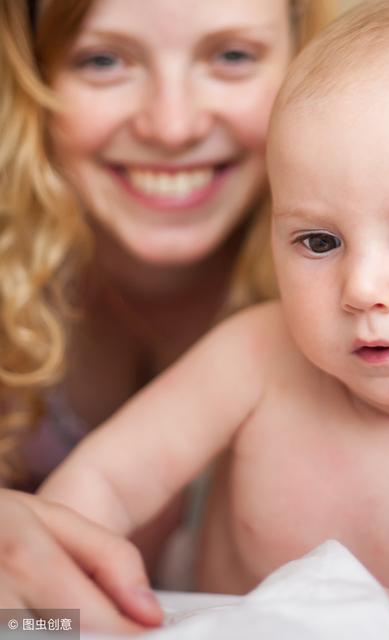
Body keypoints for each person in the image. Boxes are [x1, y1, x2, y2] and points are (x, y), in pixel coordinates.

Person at [1, 0, 389, 634]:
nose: (361, 289)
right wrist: (40, 615)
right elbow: (101, 487)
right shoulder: (253, 353)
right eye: (318, 241)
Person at [0, 0, 336, 630]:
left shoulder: (375, 304)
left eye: (231, 56)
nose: (172, 125)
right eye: (103, 60)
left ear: (304, 65)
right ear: (26, 80)